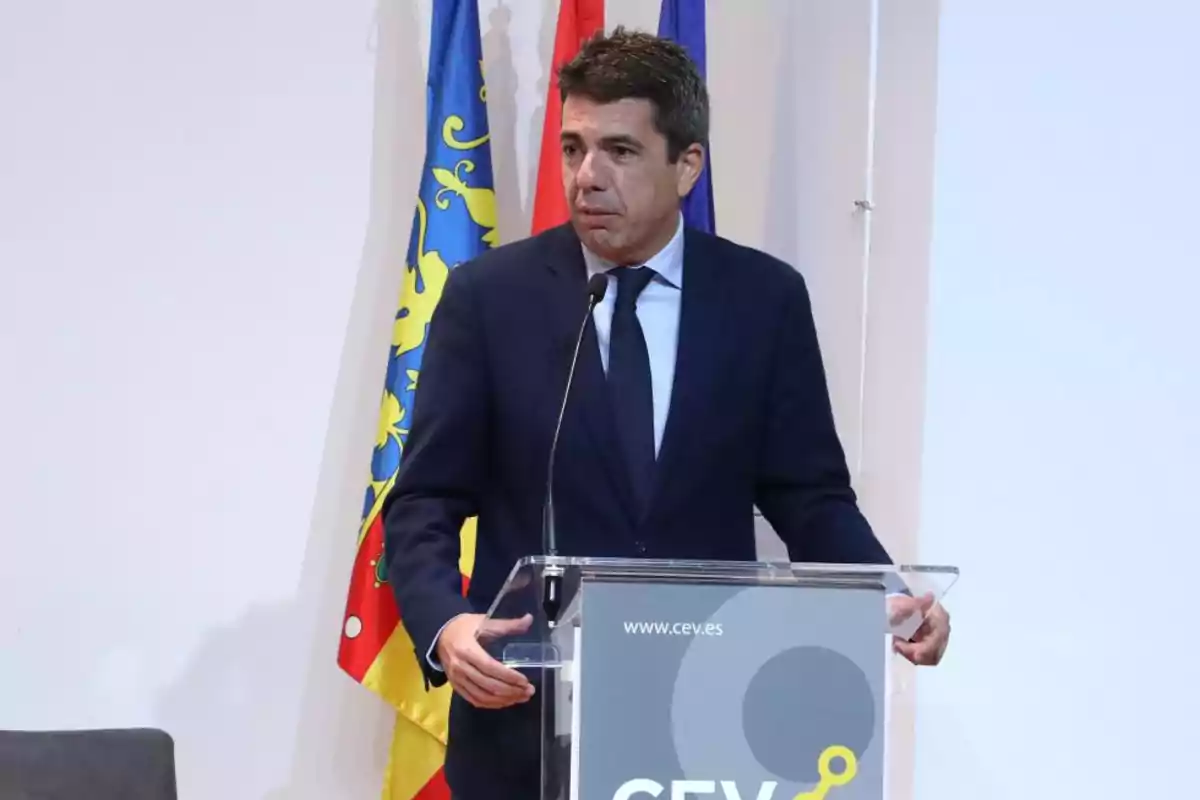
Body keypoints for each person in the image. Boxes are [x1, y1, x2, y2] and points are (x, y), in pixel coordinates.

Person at [382, 26, 950, 800]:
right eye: (574, 147)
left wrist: (890, 596)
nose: (588, 176)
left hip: (705, 721)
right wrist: (447, 626)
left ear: (687, 164)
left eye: (619, 151)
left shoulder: (763, 301)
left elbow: (808, 495)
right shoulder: (489, 299)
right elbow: (424, 500)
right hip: (524, 729)